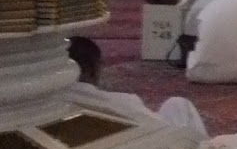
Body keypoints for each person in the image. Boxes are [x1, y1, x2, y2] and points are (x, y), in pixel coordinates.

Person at [67, 37, 206, 134]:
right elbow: (160, 129)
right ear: (93, 70)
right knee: (179, 105)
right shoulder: (123, 103)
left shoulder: (50, 105)